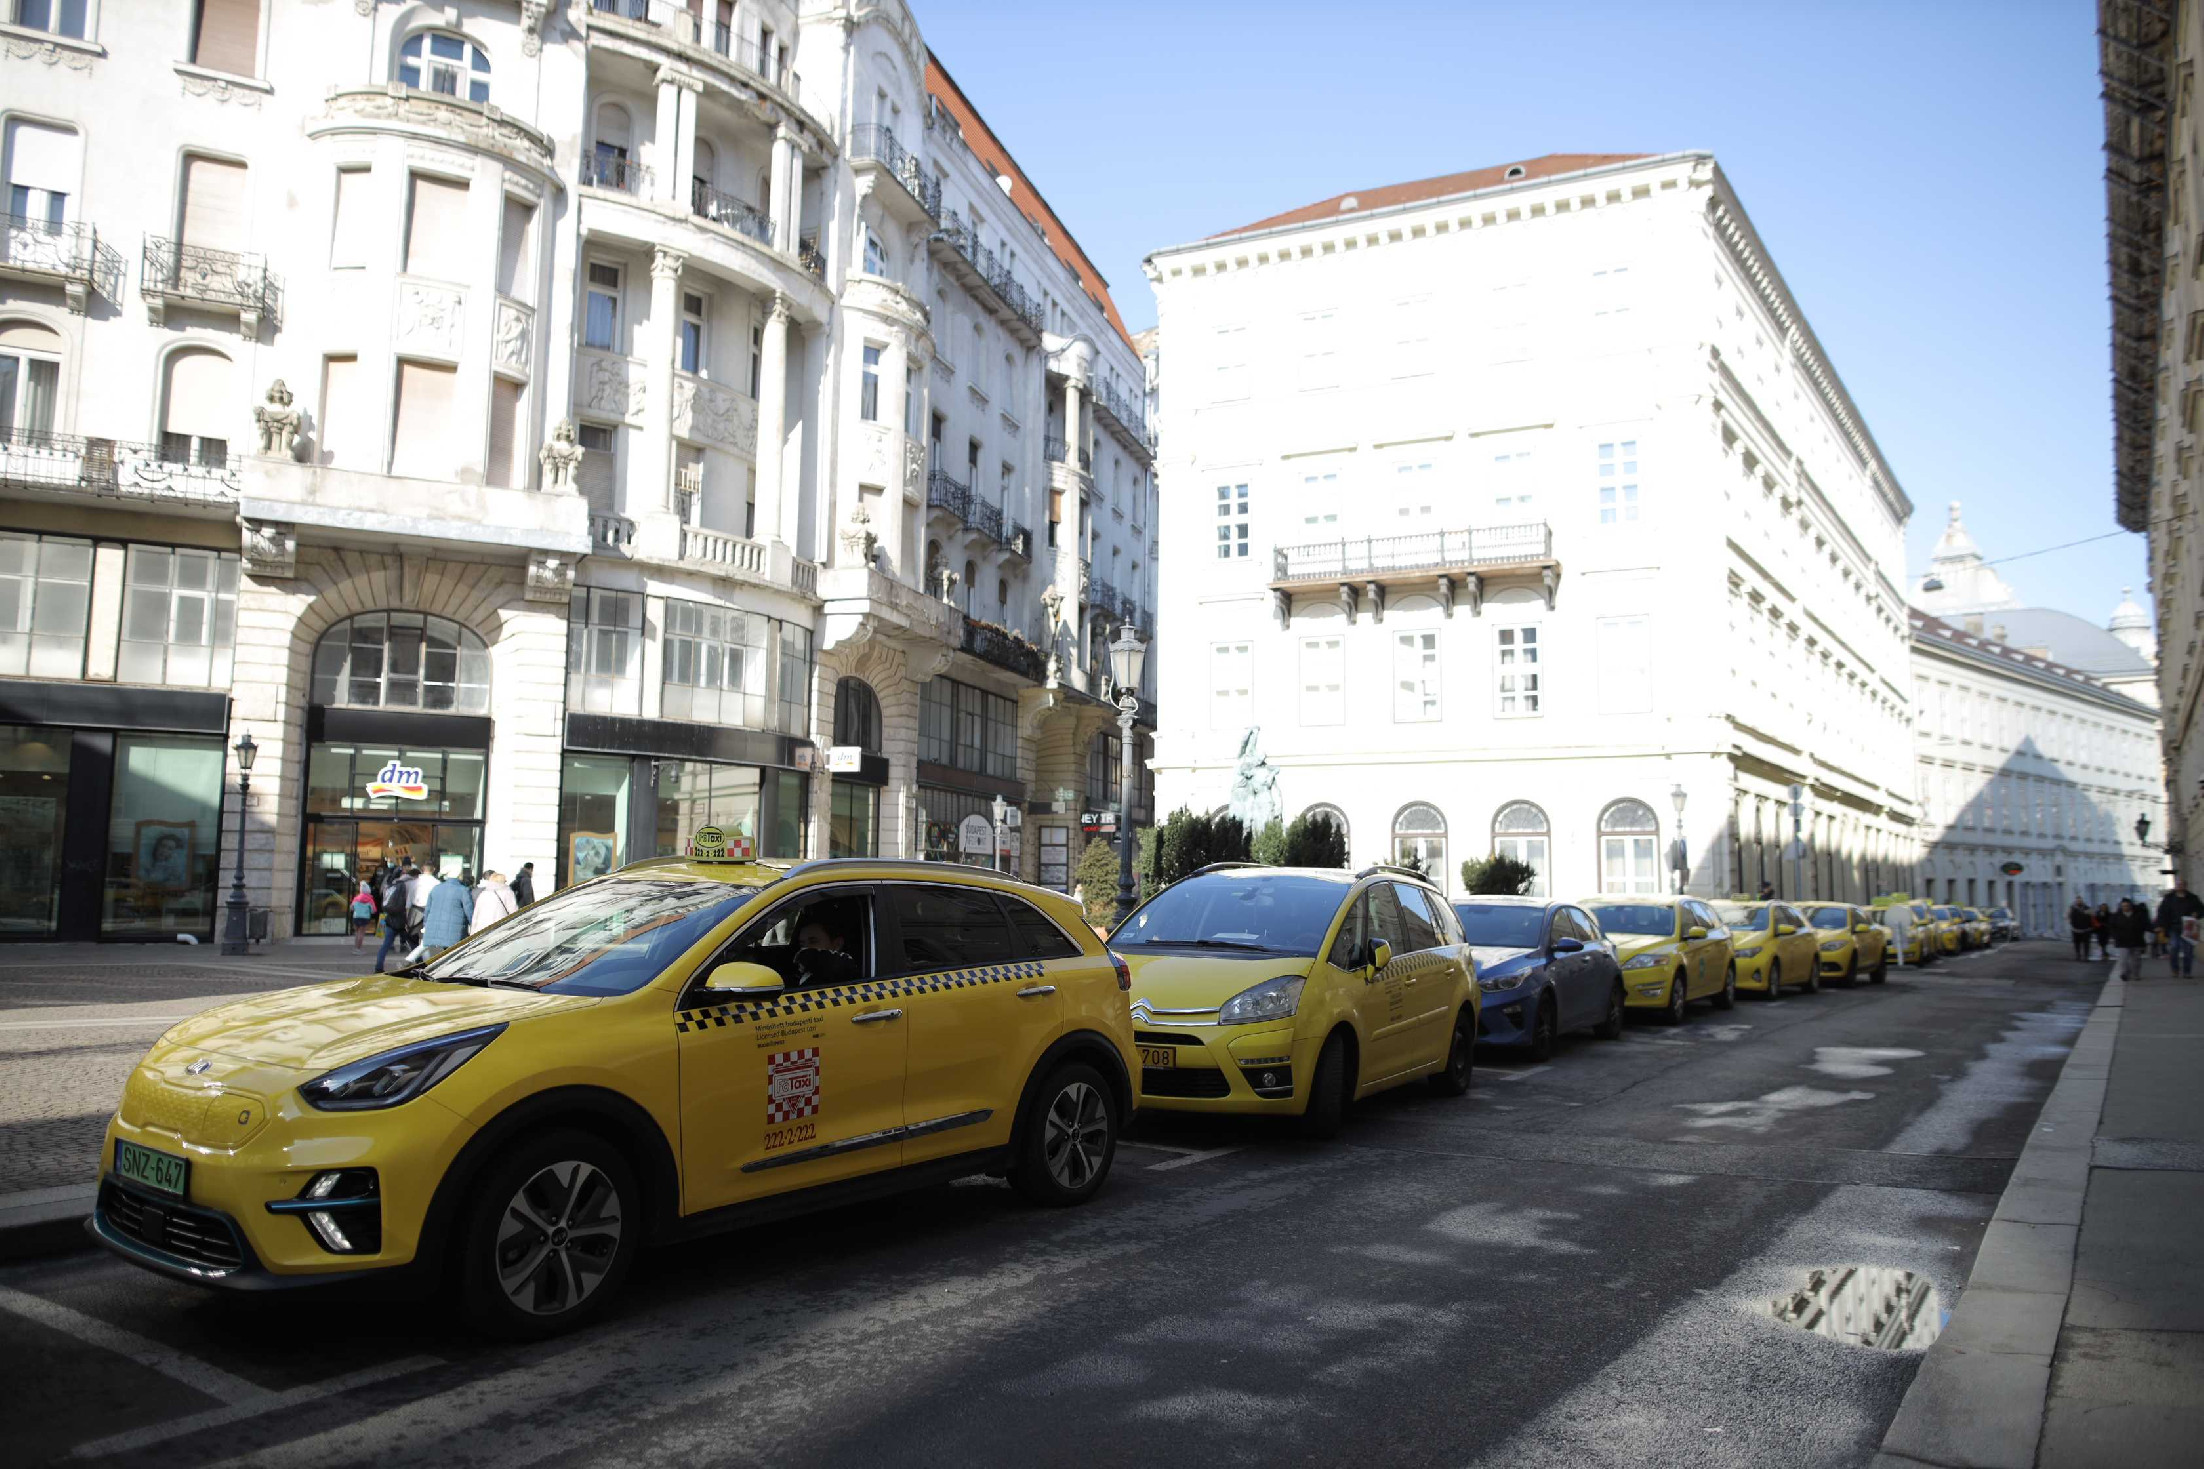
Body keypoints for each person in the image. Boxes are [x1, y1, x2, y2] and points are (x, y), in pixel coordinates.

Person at [791, 912, 860, 988]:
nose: (805, 948)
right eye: (802, 944)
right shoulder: (803, 970)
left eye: (813, 941)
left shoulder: (842, 971)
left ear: (837, 944)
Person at [419, 870, 476, 961]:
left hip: (433, 929)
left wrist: (426, 925)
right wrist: (473, 925)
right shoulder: (463, 890)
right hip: (454, 931)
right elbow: (469, 911)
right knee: (452, 959)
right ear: (459, 876)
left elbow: (427, 910)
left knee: (434, 959)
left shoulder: (436, 888)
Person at [2159, 881, 2204, 978]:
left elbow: (2201, 910)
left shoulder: (2193, 898)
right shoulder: (2169, 898)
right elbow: (2162, 912)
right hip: (2174, 927)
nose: (2180, 887)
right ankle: (2175, 969)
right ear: (2175, 887)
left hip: (2188, 927)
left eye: (2182, 885)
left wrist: (2197, 913)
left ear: (2185, 886)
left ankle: (2187, 972)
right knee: (2174, 947)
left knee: (2188, 951)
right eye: (2178, 885)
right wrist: (2162, 925)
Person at [2112, 897, 2152, 982]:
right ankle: (2125, 973)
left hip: (2136, 940)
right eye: (2123, 906)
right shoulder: (2117, 916)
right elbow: (2112, 927)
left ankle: (2135, 974)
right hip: (2122, 940)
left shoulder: (2138, 915)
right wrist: (2115, 936)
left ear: (2130, 906)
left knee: (2136, 959)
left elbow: (2145, 925)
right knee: (2124, 959)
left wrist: (2153, 929)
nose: (2125, 908)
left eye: (2127, 906)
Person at [471, 869, 518, 935]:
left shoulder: (484, 894)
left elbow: (476, 914)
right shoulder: (507, 892)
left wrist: (473, 931)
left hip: (482, 928)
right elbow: (513, 911)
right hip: (501, 928)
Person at [349, 880, 377, 953]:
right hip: (364, 918)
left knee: (357, 933)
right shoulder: (370, 899)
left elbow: (351, 908)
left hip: (356, 917)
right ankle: (358, 949)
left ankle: (355, 948)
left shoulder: (356, 898)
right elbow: (373, 910)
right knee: (361, 934)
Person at [2068, 898, 2096, 962]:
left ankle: (2086, 956)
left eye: (2080, 901)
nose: (2079, 902)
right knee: (2077, 943)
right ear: (2076, 902)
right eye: (2078, 901)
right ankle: (2078, 955)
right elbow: (2069, 917)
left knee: (2086, 944)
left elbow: (2092, 916)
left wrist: (2090, 926)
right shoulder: (2072, 909)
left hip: (2086, 930)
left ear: (2082, 901)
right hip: (2076, 930)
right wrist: (2072, 923)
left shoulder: (2087, 908)